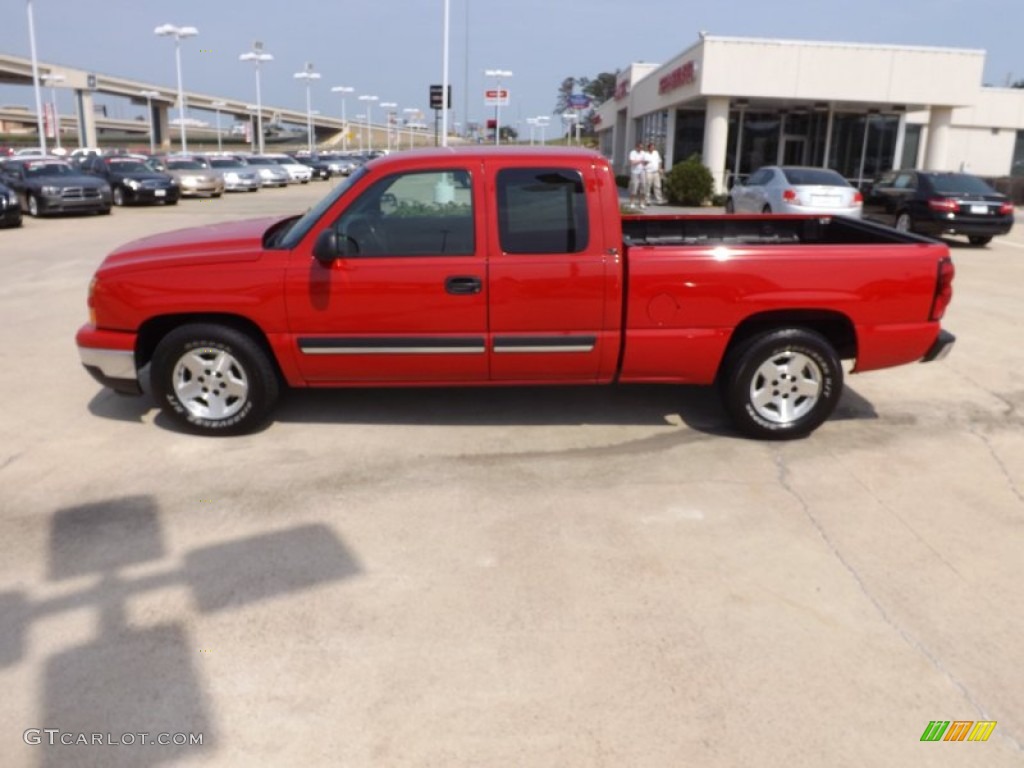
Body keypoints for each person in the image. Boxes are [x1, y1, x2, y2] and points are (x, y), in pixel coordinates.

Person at [628, 141, 648, 208]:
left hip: (642, 171)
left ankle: (642, 203)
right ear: (636, 147)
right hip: (634, 172)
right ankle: (632, 203)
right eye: (640, 147)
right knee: (634, 187)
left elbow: (645, 162)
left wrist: (645, 162)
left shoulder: (643, 153)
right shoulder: (632, 153)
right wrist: (640, 161)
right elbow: (632, 162)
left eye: (642, 147)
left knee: (643, 187)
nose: (641, 148)